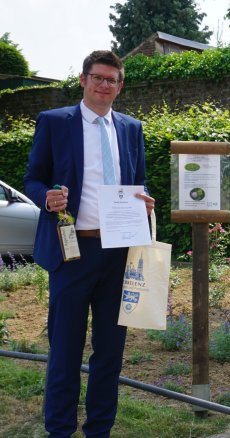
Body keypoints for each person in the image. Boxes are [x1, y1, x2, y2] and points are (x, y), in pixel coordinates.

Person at [23, 50, 155, 437]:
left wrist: (144, 201)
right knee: (65, 350)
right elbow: (33, 178)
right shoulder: (54, 122)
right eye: (97, 78)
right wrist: (46, 196)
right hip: (72, 251)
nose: (103, 85)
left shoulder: (131, 128)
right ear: (83, 80)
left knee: (110, 352)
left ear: (120, 85)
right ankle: (59, 430)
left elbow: (139, 182)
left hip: (119, 252)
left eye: (111, 80)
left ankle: (99, 429)